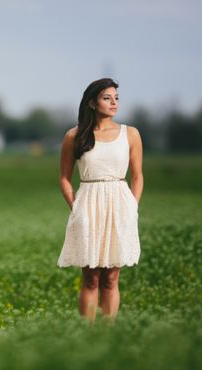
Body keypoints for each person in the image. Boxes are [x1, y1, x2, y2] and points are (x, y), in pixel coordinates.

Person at [57, 78, 143, 324]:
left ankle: (108, 332)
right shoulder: (74, 136)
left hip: (120, 206)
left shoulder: (131, 134)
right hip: (88, 206)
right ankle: (88, 332)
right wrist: (77, 209)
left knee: (111, 278)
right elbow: (64, 178)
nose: (114, 102)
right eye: (107, 98)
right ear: (93, 102)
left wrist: (132, 208)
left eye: (116, 97)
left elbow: (137, 176)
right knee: (91, 277)